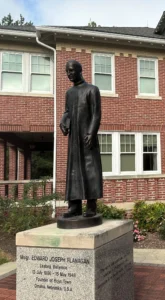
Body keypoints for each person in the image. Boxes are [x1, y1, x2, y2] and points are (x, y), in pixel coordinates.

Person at [60, 60, 103, 218]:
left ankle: (91, 206)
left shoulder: (92, 90)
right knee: (74, 171)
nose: (69, 74)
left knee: (91, 170)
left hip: (87, 136)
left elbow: (96, 114)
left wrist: (91, 133)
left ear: (79, 70)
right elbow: (67, 111)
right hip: (74, 138)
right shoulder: (69, 93)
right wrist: (63, 121)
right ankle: (74, 206)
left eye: (71, 71)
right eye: (67, 72)